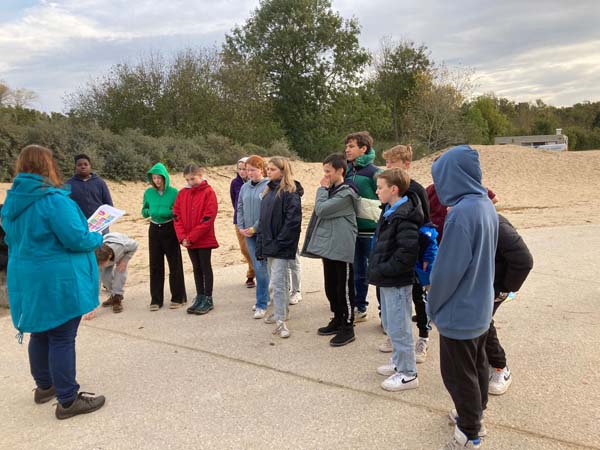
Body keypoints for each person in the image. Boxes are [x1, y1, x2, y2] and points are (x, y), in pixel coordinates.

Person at [1, 145, 105, 420]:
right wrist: (96, 237)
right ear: (48, 166)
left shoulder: (11, 202)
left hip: (26, 276)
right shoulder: (53, 200)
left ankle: (45, 386)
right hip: (56, 279)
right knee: (61, 336)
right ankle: (68, 399)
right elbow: (77, 238)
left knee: (41, 332)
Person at [427, 145, 499, 449]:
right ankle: (475, 413)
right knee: (478, 366)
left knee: (459, 375)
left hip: (460, 310)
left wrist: (432, 305)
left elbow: (447, 272)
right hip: (480, 306)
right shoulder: (485, 204)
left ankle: (470, 433)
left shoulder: (461, 215)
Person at [381, 144, 436, 362]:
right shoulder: (387, 189)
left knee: (417, 297)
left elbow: (425, 226)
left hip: (414, 254)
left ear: (406, 164)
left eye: (392, 163)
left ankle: (423, 337)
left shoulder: (415, 190)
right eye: (386, 162)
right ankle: (395, 337)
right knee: (394, 301)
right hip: (393, 254)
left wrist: (425, 258)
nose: (387, 166)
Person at [369, 168, 423, 391]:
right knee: (391, 324)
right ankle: (399, 362)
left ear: (394, 189)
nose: (376, 191)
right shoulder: (389, 210)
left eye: (380, 187)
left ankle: (408, 373)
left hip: (397, 279)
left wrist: (384, 269)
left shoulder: (406, 215)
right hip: (387, 279)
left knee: (400, 327)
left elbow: (406, 253)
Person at [302, 153, 359, 347]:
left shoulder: (346, 193)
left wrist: (322, 189)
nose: (325, 176)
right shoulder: (332, 191)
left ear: (340, 170)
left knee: (344, 288)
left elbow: (322, 210)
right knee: (331, 286)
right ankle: (337, 318)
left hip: (342, 248)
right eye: (324, 172)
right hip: (329, 247)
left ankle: (348, 326)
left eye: (328, 172)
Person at [487, 214, 533, 395]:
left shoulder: (496, 224)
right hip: (474, 286)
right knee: (473, 325)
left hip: (494, 287)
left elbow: (524, 261)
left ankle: (500, 367)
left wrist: (506, 288)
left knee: (482, 324)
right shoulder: (463, 217)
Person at [256, 157, 302, 338]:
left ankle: (281, 321)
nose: (269, 172)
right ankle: (280, 312)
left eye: (273, 169)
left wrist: (279, 244)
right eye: (267, 169)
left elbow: (292, 223)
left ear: (283, 171)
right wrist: (261, 246)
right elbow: (263, 222)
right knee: (275, 283)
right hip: (269, 245)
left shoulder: (290, 193)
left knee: (279, 283)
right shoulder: (268, 192)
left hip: (281, 247)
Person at [344, 131, 381, 322]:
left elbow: (385, 199)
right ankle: (359, 307)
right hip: (352, 229)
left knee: (379, 271)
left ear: (363, 148)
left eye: (351, 146)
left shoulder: (375, 172)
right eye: (347, 146)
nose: (347, 149)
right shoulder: (348, 171)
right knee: (357, 271)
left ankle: (386, 314)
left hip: (371, 231)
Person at [174, 163, 219, 315]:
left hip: (203, 238)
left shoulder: (208, 192)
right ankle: (200, 295)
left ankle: (208, 297)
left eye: (193, 179)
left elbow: (208, 217)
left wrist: (192, 237)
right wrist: (182, 237)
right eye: (187, 180)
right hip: (188, 239)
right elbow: (176, 216)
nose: (190, 183)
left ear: (201, 175)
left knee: (205, 267)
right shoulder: (182, 193)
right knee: (196, 268)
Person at [142, 162, 187, 311]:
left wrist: (168, 211)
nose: (157, 181)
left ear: (165, 178)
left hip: (169, 228)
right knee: (155, 264)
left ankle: (178, 297)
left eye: (159, 178)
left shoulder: (174, 192)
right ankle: (156, 300)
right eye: (154, 178)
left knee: (174, 264)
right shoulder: (148, 193)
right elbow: (144, 210)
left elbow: (177, 210)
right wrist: (149, 212)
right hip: (154, 228)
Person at [237, 155, 271, 318]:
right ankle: (266, 297)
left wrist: (254, 228)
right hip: (247, 233)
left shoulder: (268, 186)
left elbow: (267, 211)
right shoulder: (245, 187)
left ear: (261, 169)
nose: (249, 173)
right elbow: (240, 207)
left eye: (253, 169)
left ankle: (261, 303)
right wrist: (242, 226)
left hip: (263, 233)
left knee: (261, 268)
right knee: (258, 267)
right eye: (247, 169)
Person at [426, 183, 498, 244]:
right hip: (434, 236)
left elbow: (493, 199)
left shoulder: (468, 186)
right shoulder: (433, 188)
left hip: (455, 234)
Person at [65, 154, 113, 228]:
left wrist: (107, 219)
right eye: (79, 165)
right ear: (75, 167)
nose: (83, 166)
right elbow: (65, 205)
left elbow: (108, 203)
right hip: (79, 223)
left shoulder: (100, 182)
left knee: (102, 240)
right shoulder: (68, 184)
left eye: (86, 164)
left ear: (90, 166)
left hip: (99, 223)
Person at [95, 232, 139, 314]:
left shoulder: (122, 245)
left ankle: (117, 298)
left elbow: (135, 245)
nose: (101, 266)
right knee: (105, 277)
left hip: (122, 254)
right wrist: (93, 304)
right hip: (108, 253)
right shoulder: (97, 256)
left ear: (109, 257)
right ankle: (113, 295)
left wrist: (125, 260)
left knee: (120, 274)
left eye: (102, 264)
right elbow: (97, 280)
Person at [230, 157, 255, 288]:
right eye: (239, 169)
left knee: (254, 248)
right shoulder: (235, 183)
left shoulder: (256, 183)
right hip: (239, 220)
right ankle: (255, 269)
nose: (242, 172)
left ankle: (251, 275)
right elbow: (234, 201)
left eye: (244, 169)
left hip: (253, 220)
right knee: (244, 249)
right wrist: (240, 217)